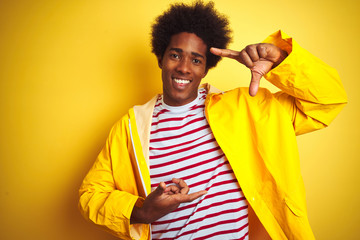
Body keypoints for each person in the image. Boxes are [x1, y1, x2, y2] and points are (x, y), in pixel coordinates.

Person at [78, 1, 347, 239]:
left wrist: (280, 61)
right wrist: (142, 210)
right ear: (160, 58)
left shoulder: (247, 109)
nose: (184, 67)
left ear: (206, 69)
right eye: (175, 55)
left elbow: (327, 100)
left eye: (196, 60)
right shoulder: (130, 128)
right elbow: (90, 195)